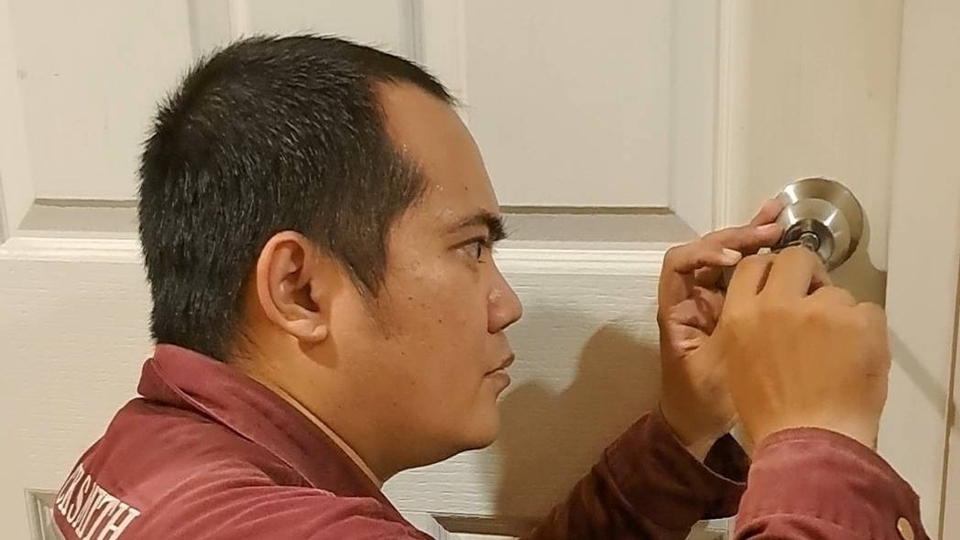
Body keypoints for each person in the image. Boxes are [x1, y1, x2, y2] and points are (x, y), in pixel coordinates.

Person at [52, 35, 926, 540]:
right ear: (301, 290)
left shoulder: (146, 453)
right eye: (470, 248)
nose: (506, 303)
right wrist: (819, 440)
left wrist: (684, 429)